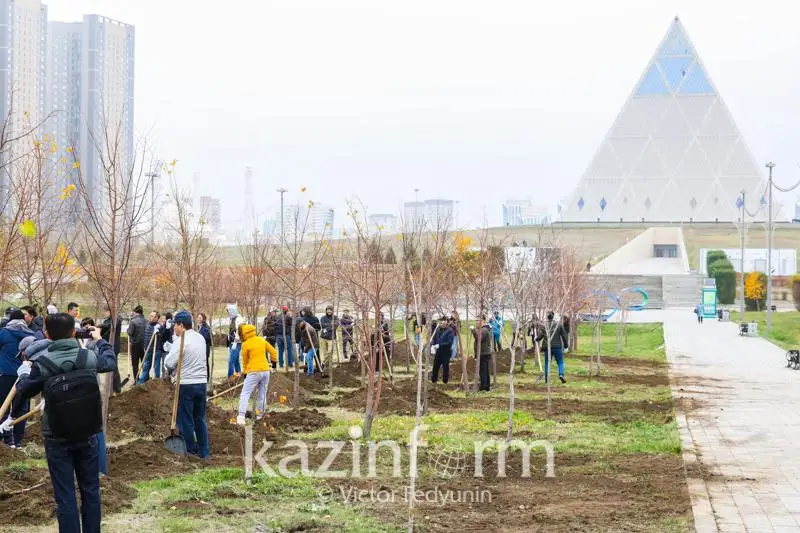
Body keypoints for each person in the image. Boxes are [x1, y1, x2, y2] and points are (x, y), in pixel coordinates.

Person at [5, 313, 116, 533]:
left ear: (46, 334)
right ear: (74, 332)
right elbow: (110, 362)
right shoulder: (88, 357)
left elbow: (24, 392)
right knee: (91, 490)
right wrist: (99, 340)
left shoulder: (43, 363)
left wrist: (25, 374)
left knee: (65, 495)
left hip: (57, 436)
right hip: (87, 432)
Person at [164, 311, 209, 458]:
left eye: (175, 325)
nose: (174, 328)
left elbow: (169, 363)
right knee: (200, 419)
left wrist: (171, 351)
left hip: (186, 384)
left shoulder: (181, 340)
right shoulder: (200, 338)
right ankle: (204, 452)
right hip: (201, 383)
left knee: (186, 419)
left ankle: (190, 450)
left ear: (181, 325)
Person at [0, 310, 35, 447]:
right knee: (21, 407)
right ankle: (18, 441)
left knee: (3, 406)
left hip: (5, 374)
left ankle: (7, 440)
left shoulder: (3, 333)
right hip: (25, 375)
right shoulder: (31, 335)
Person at [236, 324, 277, 425]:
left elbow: (245, 361)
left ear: (244, 334)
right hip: (266, 371)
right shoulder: (261, 340)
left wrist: (245, 373)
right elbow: (273, 352)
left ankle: (241, 417)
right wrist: (274, 365)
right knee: (262, 393)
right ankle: (260, 415)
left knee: (245, 393)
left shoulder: (245, 344)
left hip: (253, 371)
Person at [537, 311, 569, 384]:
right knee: (560, 362)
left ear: (547, 317)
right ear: (553, 316)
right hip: (557, 347)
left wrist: (536, 339)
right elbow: (564, 336)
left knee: (547, 363)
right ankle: (561, 374)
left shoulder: (545, 325)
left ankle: (547, 379)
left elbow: (540, 336)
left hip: (548, 348)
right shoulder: (558, 325)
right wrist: (566, 346)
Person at [100, 310, 123, 393]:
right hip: (107, 346)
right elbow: (103, 332)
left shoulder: (117, 320)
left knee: (114, 367)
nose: (105, 313)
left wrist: (100, 325)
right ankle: (111, 386)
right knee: (110, 367)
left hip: (114, 346)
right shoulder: (106, 320)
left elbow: (110, 326)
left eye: (107, 311)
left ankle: (117, 388)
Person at [137, 311, 162, 384]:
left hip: (156, 350)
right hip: (148, 350)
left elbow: (161, 335)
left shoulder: (159, 327)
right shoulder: (147, 325)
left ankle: (157, 383)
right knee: (146, 367)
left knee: (156, 367)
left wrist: (158, 332)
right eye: (150, 315)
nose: (150, 317)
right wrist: (144, 347)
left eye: (152, 316)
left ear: (156, 318)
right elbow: (145, 337)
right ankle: (140, 383)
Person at [431, 317, 455, 384]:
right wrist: (432, 345)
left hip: (446, 352)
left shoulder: (450, 331)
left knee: (445, 367)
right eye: (441, 323)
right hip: (438, 352)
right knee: (435, 366)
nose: (442, 324)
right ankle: (434, 380)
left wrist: (440, 345)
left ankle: (445, 381)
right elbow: (434, 338)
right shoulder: (438, 329)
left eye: (444, 322)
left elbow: (449, 342)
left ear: (446, 322)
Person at [127, 305, 147, 383]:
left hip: (135, 345)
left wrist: (128, 330)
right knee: (144, 364)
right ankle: (145, 380)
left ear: (135, 312)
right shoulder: (147, 321)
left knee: (135, 364)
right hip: (145, 345)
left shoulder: (133, 321)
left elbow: (130, 332)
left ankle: (136, 380)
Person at [472, 317, 493, 392]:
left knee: (483, 371)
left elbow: (479, 338)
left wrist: (473, 330)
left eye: (478, 320)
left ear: (483, 321)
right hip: (483, 353)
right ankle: (486, 386)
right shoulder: (484, 329)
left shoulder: (484, 330)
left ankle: (483, 387)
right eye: (476, 320)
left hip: (483, 353)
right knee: (485, 371)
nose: (476, 322)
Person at [225, 304, 245, 377]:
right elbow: (230, 332)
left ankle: (229, 377)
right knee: (236, 360)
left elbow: (241, 332)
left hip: (237, 343)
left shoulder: (239, 319)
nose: (228, 313)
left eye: (229, 312)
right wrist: (228, 343)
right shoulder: (232, 319)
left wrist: (236, 341)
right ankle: (238, 374)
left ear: (232, 311)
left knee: (231, 361)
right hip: (231, 343)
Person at [197, 313, 213, 381]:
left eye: (200, 318)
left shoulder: (206, 327)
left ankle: (207, 378)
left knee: (205, 363)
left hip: (205, 348)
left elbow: (209, 338)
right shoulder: (197, 327)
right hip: (198, 349)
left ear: (203, 319)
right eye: (198, 317)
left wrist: (200, 336)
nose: (198, 319)